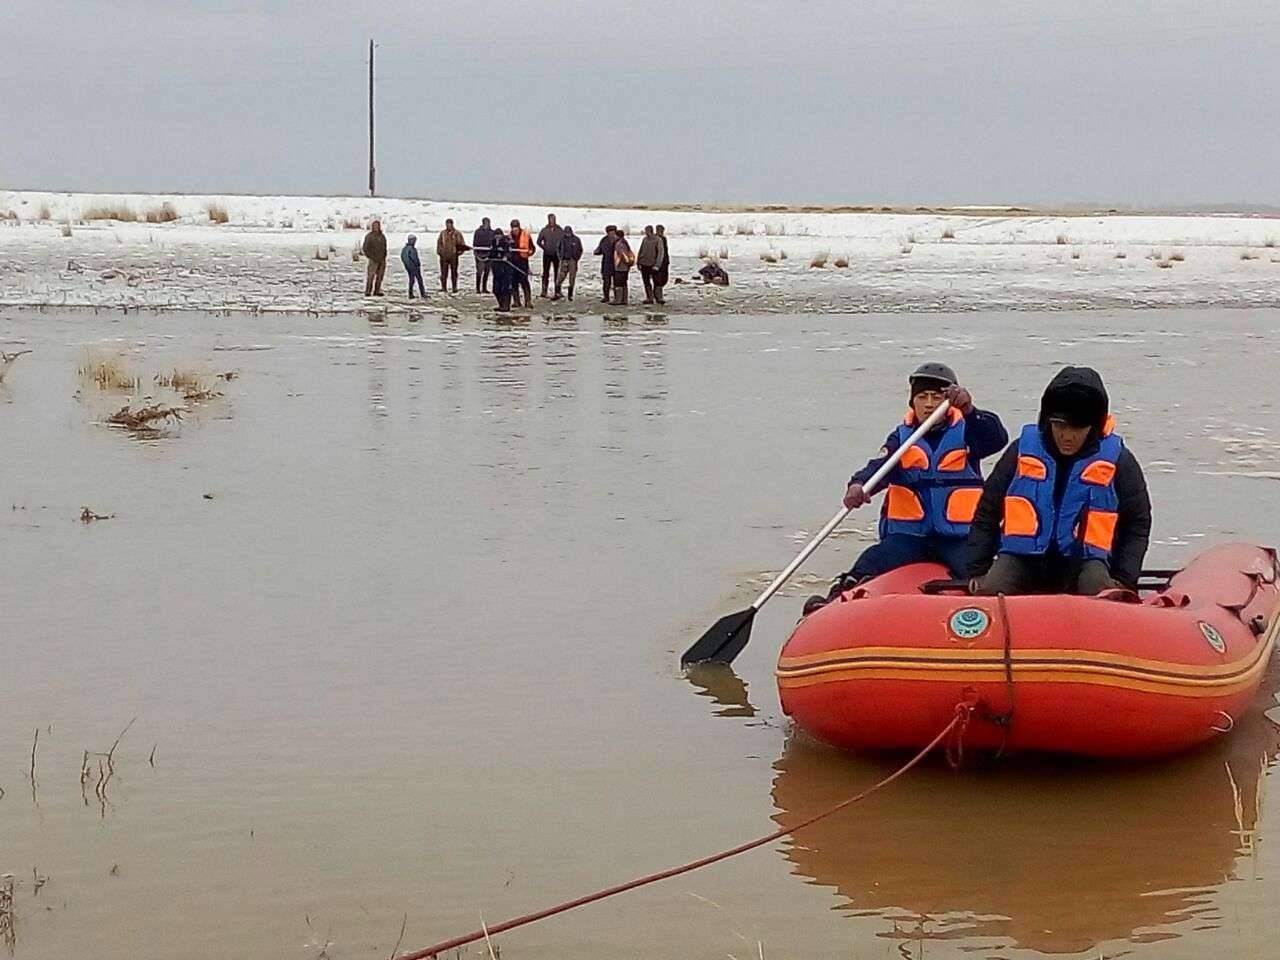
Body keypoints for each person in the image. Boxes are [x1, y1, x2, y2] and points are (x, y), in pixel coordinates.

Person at [803, 363, 1008, 614]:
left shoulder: (969, 432)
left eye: (937, 397)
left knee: (979, 569)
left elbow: (996, 438)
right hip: (910, 536)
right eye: (923, 397)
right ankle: (833, 603)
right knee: (872, 560)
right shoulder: (901, 439)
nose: (929, 404)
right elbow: (878, 468)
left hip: (958, 536)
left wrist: (969, 409)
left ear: (949, 401)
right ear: (913, 402)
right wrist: (858, 485)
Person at [966, 366, 1151, 596]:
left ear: (1093, 425)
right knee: (993, 587)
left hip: (1085, 562)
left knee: (1101, 591)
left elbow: (1137, 524)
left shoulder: (1119, 460)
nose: (1067, 436)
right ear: (1048, 421)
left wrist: (1125, 577)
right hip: (1022, 559)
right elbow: (988, 510)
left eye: (1077, 428)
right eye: (1060, 425)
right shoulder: (1021, 451)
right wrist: (978, 568)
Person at [436, 218, 469, 293]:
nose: (448, 225)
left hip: (453, 256)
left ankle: (454, 287)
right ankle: (444, 287)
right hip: (444, 256)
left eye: (449, 224)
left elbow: (462, 244)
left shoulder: (457, 233)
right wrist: (440, 252)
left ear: (452, 224)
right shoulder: (443, 233)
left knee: (454, 273)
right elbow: (439, 243)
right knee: (444, 273)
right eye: (447, 224)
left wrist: (459, 253)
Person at [537, 214, 564, 299]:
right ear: (548, 220)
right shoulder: (544, 230)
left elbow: (563, 242)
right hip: (547, 255)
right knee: (545, 273)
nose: (552, 221)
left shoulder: (560, 230)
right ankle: (544, 291)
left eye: (553, 219)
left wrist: (560, 250)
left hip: (557, 255)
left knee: (557, 273)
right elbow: (538, 241)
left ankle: (557, 291)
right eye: (550, 219)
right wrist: (545, 248)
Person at [488, 228, 514, 312]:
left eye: (499, 235)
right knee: (496, 289)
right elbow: (491, 253)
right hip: (496, 269)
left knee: (505, 289)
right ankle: (501, 304)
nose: (497, 237)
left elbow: (509, 252)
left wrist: (506, 256)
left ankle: (506, 306)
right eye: (496, 235)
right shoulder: (493, 242)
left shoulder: (506, 242)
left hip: (506, 269)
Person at [510, 219, 534, 307]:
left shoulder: (526, 235)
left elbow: (532, 248)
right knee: (514, 283)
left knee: (524, 282)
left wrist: (529, 252)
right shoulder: (509, 237)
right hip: (512, 263)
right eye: (513, 228)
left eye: (516, 228)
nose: (514, 230)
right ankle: (516, 301)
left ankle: (528, 301)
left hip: (523, 262)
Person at [637, 225, 663, 304]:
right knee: (646, 281)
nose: (646, 233)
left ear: (650, 231)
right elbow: (640, 250)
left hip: (653, 264)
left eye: (647, 231)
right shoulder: (644, 239)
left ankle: (659, 297)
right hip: (644, 263)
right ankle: (649, 297)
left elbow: (660, 253)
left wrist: (657, 265)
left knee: (657, 282)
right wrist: (638, 261)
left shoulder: (658, 240)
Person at [556, 225, 583, 301]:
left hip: (572, 261)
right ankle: (557, 292)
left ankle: (570, 295)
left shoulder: (576, 240)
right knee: (561, 277)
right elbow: (558, 249)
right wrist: (560, 257)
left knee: (572, 278)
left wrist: (576, 258)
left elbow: (580, 250)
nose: (567, 234)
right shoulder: (561, 239)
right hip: (564, 260)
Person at [362, 219, 387, 296]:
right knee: (371, 276)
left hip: (382, 260)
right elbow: (365, 248)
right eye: (375, 226)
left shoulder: (382, 236)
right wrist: (371, 256)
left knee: (380, 277)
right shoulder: (369, 236)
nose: (376, 227)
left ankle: (377, 290)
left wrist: (384, 255)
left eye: (378, 226)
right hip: (373, 260)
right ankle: (368, 291)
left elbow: (384, 247)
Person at [594, 225, 618, 304]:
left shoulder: (618, 240)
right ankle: (606, 297)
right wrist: (597, 251)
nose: (611, 234)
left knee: (616, 282)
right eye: (610, 232)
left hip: (616, 263)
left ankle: (617, 297)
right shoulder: (604, 240)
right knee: (606, 282)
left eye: (613, 232)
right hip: (606, 263)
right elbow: (599, 250)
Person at [611, 228, 635, 305]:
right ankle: (624, 299)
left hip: (620, 267)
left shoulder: (619, 244)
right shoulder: (625, 243)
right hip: (625, 267)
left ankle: (618, 299)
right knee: (624, 283)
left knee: (618, 283)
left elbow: (622, 255)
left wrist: (619, 264)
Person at [473, 217, 495, 293]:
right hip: (479, 254)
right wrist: (476, 254)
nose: (487, 224)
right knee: (479, 271)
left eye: (488, 223)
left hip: (489, 254)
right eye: (485, 223)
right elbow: (475, 243)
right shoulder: (478, 232)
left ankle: (484, 288)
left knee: (487, 271)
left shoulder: (492, 232)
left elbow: (494, 243)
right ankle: (478, 288)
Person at [400, 234, 426, 299]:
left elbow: (403, 258)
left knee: (412, 280)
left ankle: (411, 293)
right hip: (414, 267)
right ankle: (422, 294)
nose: (414, 241)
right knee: (419, 280)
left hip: (409, 267)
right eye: (413, 240)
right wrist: (417, 264)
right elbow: (414, 258)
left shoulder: (404, 249)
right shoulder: (411, 249)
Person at [653, 224, 670, 304]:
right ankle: (659, 297)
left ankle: (657, 294)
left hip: (664, 262)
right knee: (658, 280)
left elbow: (665, 251)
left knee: (664, 280)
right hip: (657, 262)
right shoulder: (655, 239)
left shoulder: (664, 238)